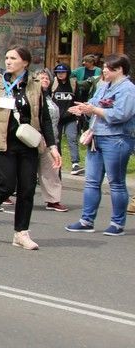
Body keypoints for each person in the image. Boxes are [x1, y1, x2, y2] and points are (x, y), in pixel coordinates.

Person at [0, 47, 59, 250]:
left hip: (28, 143)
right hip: (4, 142)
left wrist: (53, 146)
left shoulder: (36, 85)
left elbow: (45, 118)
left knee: (28, 188)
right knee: (6, 185)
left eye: (13, 58)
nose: (8, 61)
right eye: (8, 58)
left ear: (25, 63)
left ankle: (21, 233)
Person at [65, 54, 135, 236]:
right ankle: (86, 220)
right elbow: (94, 106)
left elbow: (122, 114)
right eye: (104, 67)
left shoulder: (128, 89)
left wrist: (94, 109)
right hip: (96, 137)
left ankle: (117, 224)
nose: (103, 70)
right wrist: (83, 108)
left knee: (116, 182)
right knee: (92, 181)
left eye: (108, 67)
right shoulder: (103, 86)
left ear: (119, 69)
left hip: (117, 139)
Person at [36, 68, 68, 212]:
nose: (45, 80)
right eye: (41, 78)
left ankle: (53, 200)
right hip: (33, 138)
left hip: (50, 139)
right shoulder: (33, 96)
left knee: (51, 170)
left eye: (47, 78)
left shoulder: (49, 96)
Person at [50, 63, 82, 176]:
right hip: (56, 118)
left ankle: (75, 163)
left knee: (72, 138)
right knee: (56, 140)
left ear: (67, 73)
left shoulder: (73, 84)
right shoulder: (53, 84)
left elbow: (78, 100)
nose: (60, 74)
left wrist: (78, 114)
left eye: (63, 72)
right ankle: (57, 161)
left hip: (70, 117)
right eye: (58, 72)